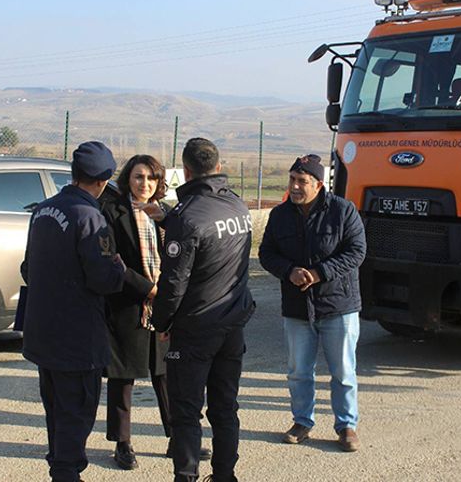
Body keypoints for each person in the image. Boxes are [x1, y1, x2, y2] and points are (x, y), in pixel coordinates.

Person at [150, 137, 255, 482]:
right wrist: (169, 219)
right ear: (219, 168)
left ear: (187, 171)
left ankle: (186, 476)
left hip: (195, 331)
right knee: (225, 408)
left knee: (185, 413)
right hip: (232, 325)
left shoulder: (188, 216)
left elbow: (173, 281)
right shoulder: (238, 207)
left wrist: (162, 321)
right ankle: (225, 475)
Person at [20, 140, 127, 482]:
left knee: (56, 411)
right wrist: (119, 269)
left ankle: (60, 469)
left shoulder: (43, 210)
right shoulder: (90, 217)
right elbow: (104, 280)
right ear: (102, 180)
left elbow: (27, 268)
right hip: (77, 338)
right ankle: (66, 474)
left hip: (44, 333)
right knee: (76, 413)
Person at [99, 154, 211, 469]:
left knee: (167, 375)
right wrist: (146, 288)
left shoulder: (168, 215)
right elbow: (112, 260)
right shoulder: (113, 211)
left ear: (159, 182)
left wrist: (168, 294)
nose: (144, 184)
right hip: (127, 304)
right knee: (123, 378)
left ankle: (177, 438)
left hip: (162, 307)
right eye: (138, 177)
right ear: (127, 180)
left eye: (151, 178)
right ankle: (123, 443)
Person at [258, 153, 367, 453]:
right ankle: (302, 421)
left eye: (301, 181)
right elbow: (266, 253)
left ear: (318, 184)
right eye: (292, 180)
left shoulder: (343, 211)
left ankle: (347, 426)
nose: (294, 186)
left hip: (338, 306)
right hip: (296, 306)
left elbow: (357, 252)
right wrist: (288, 271)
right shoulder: (279, 215)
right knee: (298, 371)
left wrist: (319, 274)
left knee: (343, 371)